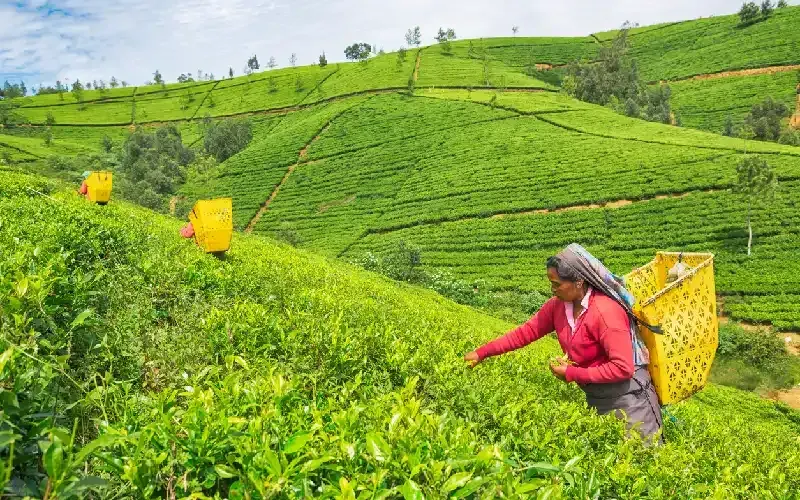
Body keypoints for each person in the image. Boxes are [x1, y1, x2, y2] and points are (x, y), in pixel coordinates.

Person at [464, 243, 663, 443]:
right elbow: (524, 333)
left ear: (578, 282)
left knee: (640, 454)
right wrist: (482, 353)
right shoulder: (558, 307)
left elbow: (623, 368)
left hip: (631, 401)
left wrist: (571, 373)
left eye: (557, 284)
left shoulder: (605, 313)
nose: (553, 290)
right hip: (596, 397)